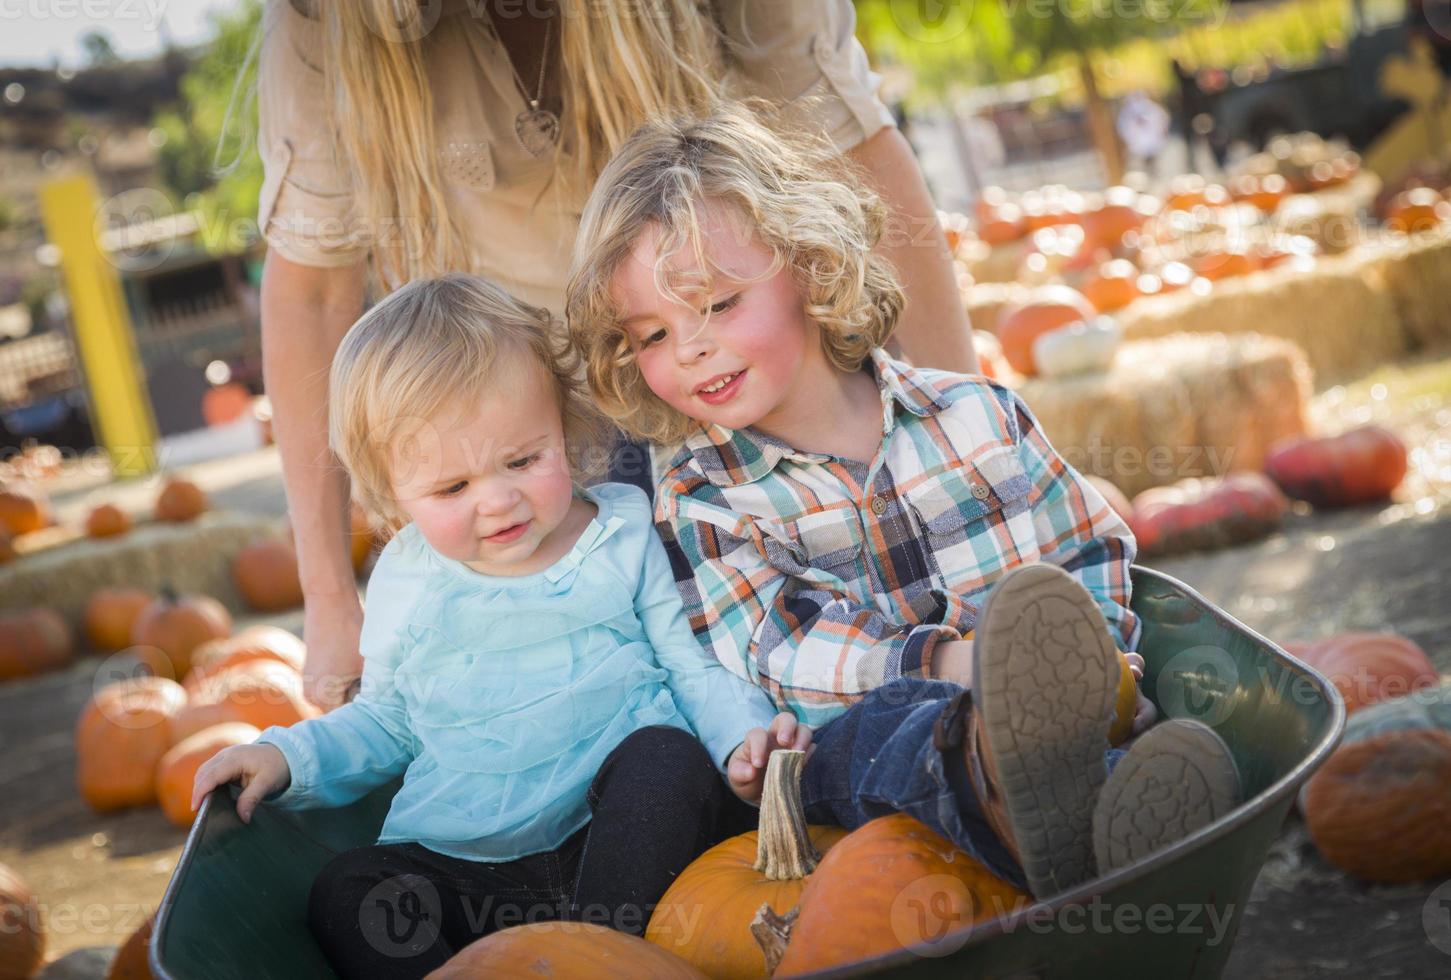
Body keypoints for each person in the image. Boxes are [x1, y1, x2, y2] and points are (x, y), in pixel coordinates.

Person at [565, 105, 1243, 900]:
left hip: (1055, 729)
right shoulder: (702, 498)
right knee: (884, 737)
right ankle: (1034, 824)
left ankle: (1120, 812)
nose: (688, 348)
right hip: (858, 781)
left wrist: (1104, 669)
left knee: (1112, 736)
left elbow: (1085, 549)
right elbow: (782, 650)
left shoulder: (976, 414)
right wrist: (957, 665)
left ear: (811, 268)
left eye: (716, 305)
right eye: (650, 335)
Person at [253, 0, 978, 708]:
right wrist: (330, 599)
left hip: (741, 376)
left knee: (811, 616)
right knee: (616, 678)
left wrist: (951, 431)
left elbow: (849, 146)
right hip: (539, 419)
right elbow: (314, 290)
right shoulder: (324, 19)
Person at [191, 274, 808, 977]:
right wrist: (289, 758)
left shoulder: (621, 534)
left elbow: (689, 665)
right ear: (392, 494)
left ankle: (601, 963)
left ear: (565, 427)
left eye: (523, 459)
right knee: (351, 889)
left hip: (617, 851)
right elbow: (390, 719)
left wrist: (743, 738)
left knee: (666, 759)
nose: (497, 500)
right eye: (452, 488)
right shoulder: (408, 577)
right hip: (467, 868)